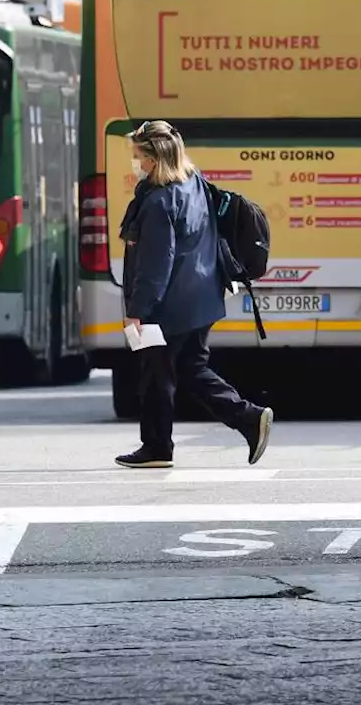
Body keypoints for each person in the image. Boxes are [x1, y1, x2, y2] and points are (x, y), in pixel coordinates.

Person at [115, 120, 274, 469]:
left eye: (139, 156)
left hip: (171, 305)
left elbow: (157, 262)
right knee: (189, 369)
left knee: (157, 375)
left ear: (155, 159)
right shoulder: (193, 183)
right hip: (201, 297)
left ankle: (158, 447)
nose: (135, 163)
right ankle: (248, 420)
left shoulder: (158, 201)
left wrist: (138, 310)